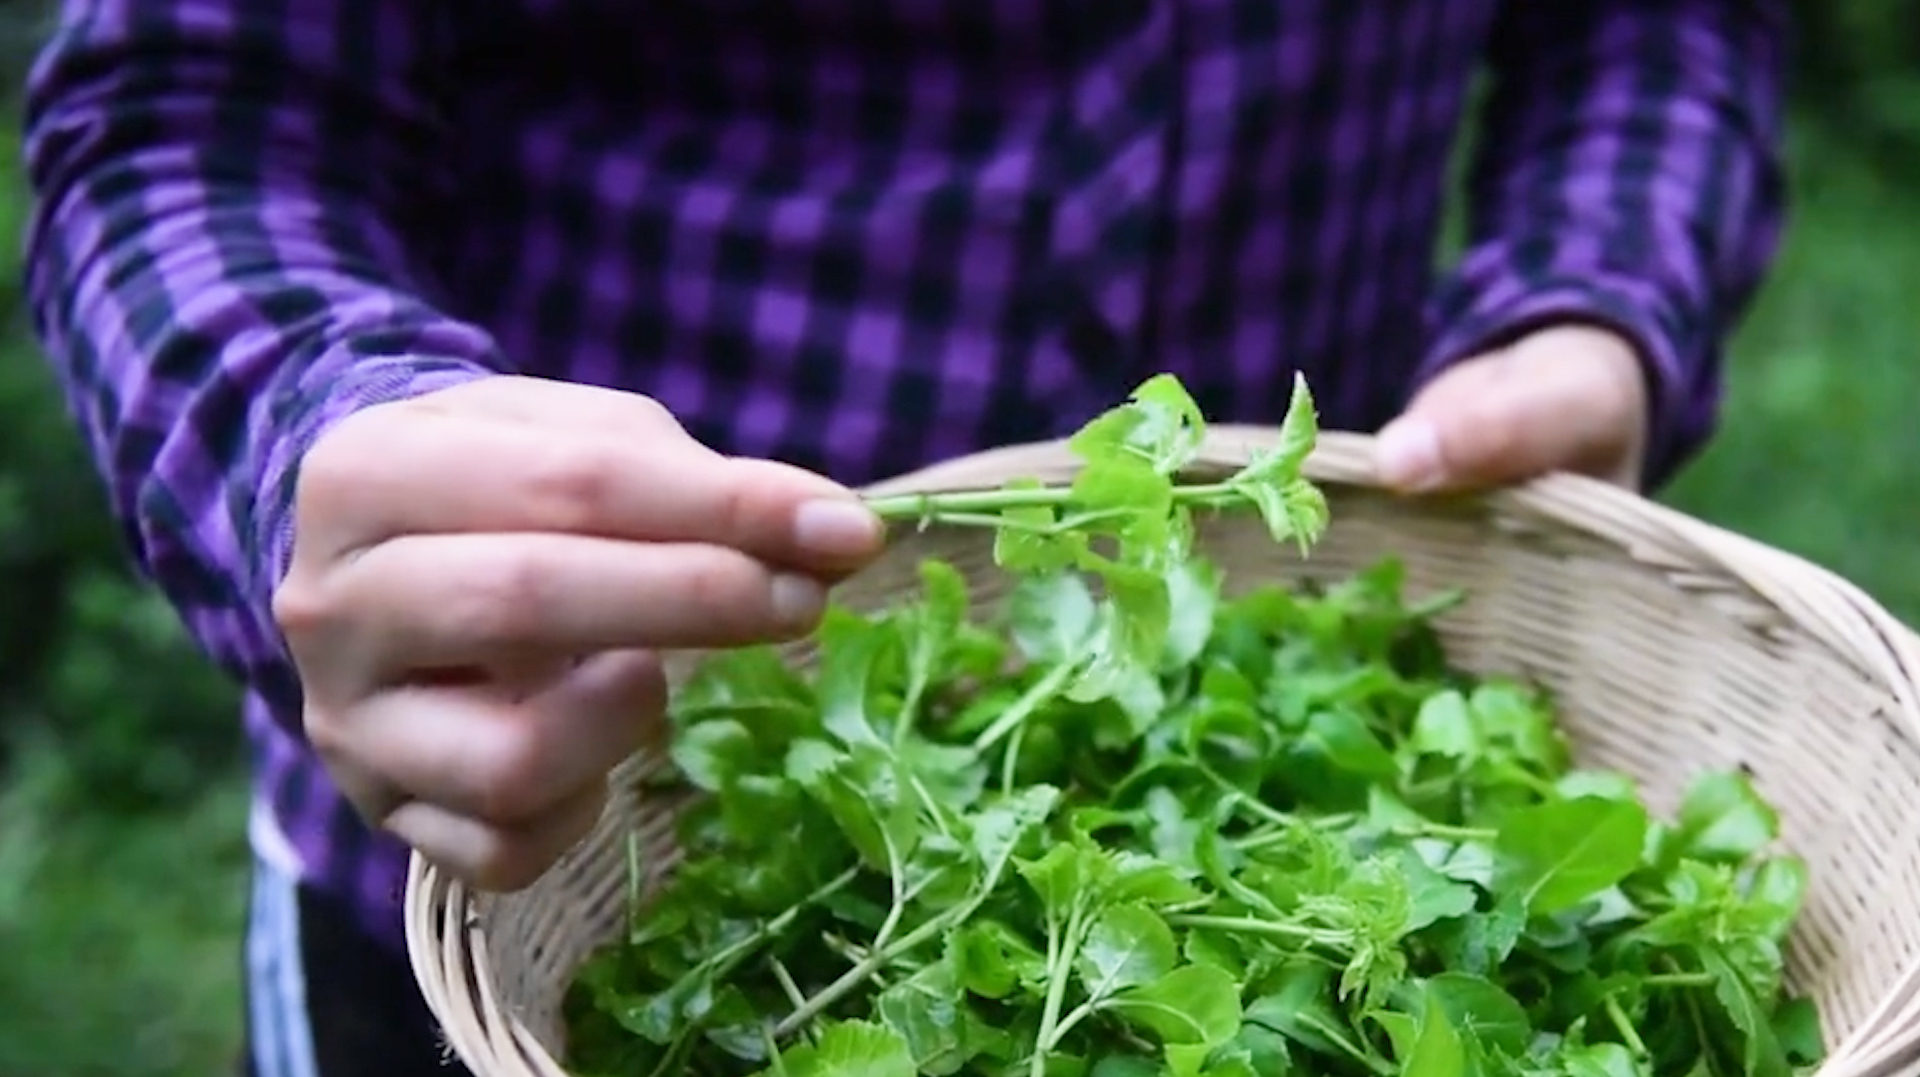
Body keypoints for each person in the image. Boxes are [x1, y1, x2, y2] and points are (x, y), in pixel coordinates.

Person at [20, 0, 1785, 1073]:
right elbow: (192, 106)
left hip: (1286, 613)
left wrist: (1601, 284)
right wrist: (310, 427)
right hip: (539, 812)